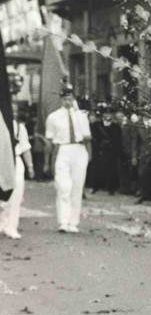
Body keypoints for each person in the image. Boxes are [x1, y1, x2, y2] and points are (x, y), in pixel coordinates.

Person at [44, 86, 91, 233]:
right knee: (64, 186)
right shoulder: (53, 117)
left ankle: (73, 222)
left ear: (74, 99)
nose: (68, 101)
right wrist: (47, 161)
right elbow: (49, 141)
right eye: (65, 99)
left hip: (79, 149)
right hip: (63, 149)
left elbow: (88, 137)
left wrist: (89, 154)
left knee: (77, 188)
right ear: (61, 99)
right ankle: (63, 221)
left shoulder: (82, 116)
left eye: (70, 98)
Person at [0, 107, 34, 239]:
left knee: (16, 194)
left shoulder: (19, 127)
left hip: (15, 160)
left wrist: (30, 166)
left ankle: (11, 226)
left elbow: (25, 148)